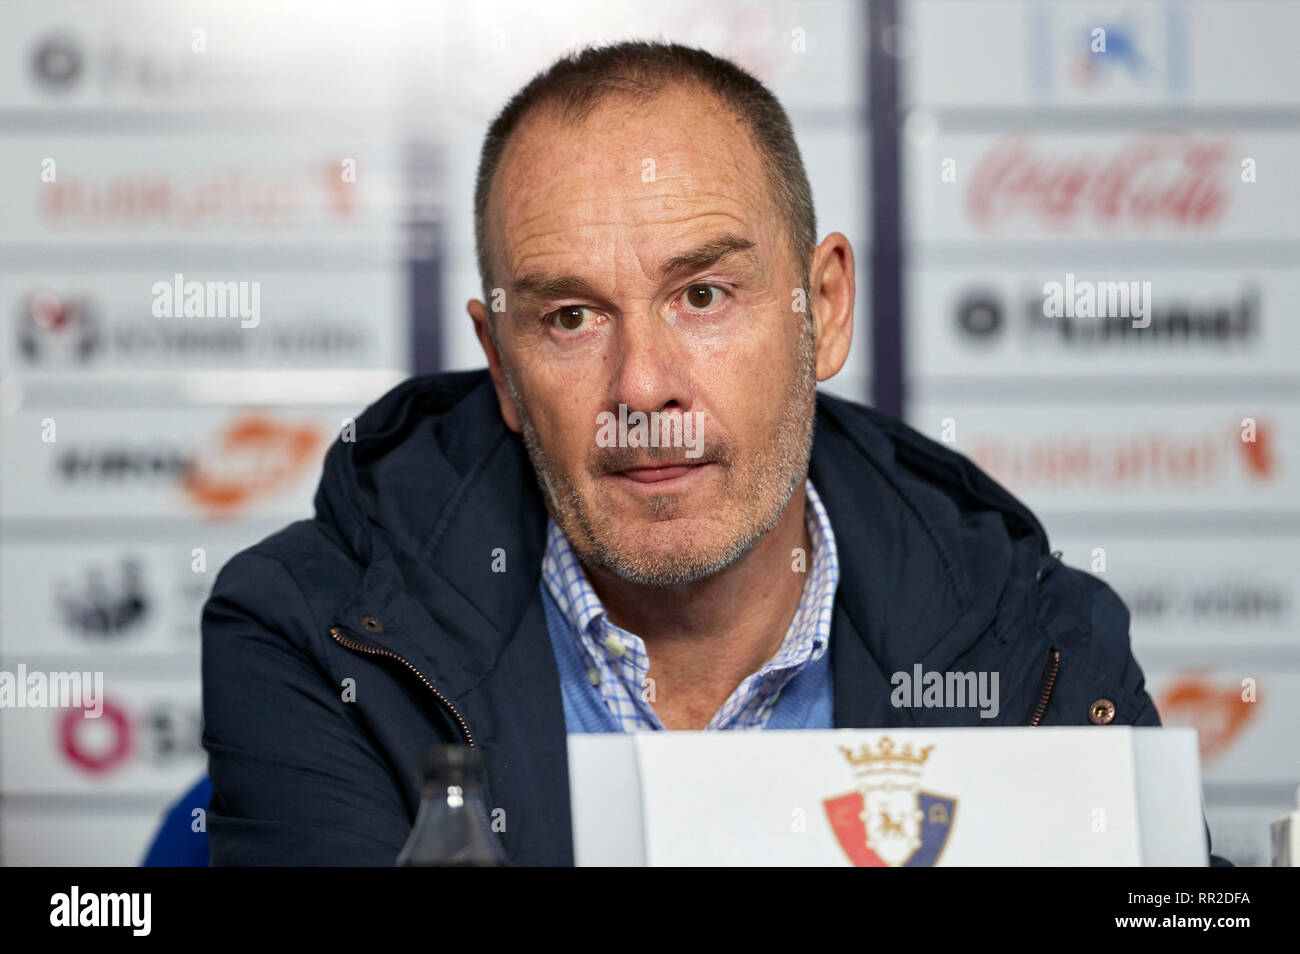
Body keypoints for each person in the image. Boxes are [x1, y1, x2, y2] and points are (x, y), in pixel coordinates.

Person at [201, 41, 1225, 865]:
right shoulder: (313, 635)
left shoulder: (1031, 638)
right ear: (502, 368)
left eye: (702, 295)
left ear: (821, 309)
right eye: (569, 316)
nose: (643, 385)